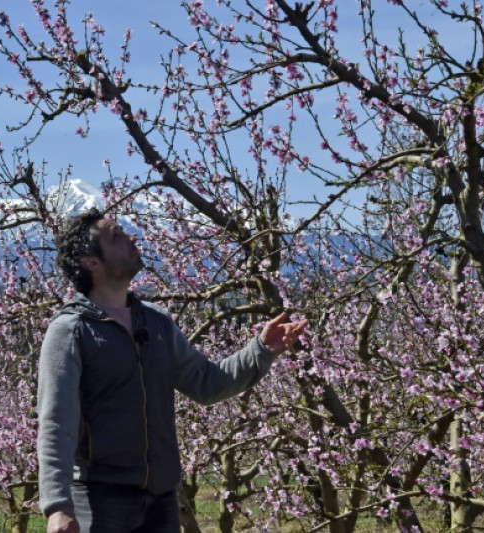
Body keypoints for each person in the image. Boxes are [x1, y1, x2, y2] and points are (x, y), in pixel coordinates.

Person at [38, 208, 308, 533]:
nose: (130, 238)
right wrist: (57, 505)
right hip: (99, 501)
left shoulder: (156, 322)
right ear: (91, 262)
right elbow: (56, 423)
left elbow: (206, 383)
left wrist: (261, 350)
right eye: (116, 236)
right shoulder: (71, 332)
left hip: (161, 501)